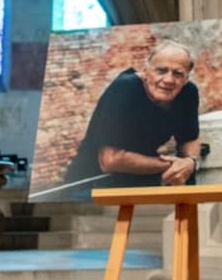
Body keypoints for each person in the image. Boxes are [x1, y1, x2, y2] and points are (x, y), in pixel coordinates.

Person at [64, 40, 201, 189]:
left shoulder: (188, 92)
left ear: (186, 78)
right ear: (145, 71)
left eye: (178, 73)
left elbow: (189, 138)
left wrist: (190, 162)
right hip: (92, 183)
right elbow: (110, 160)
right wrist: (172, 164)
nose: (168, 80)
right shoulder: (125, 89)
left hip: (141, 179)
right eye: (161, 70)